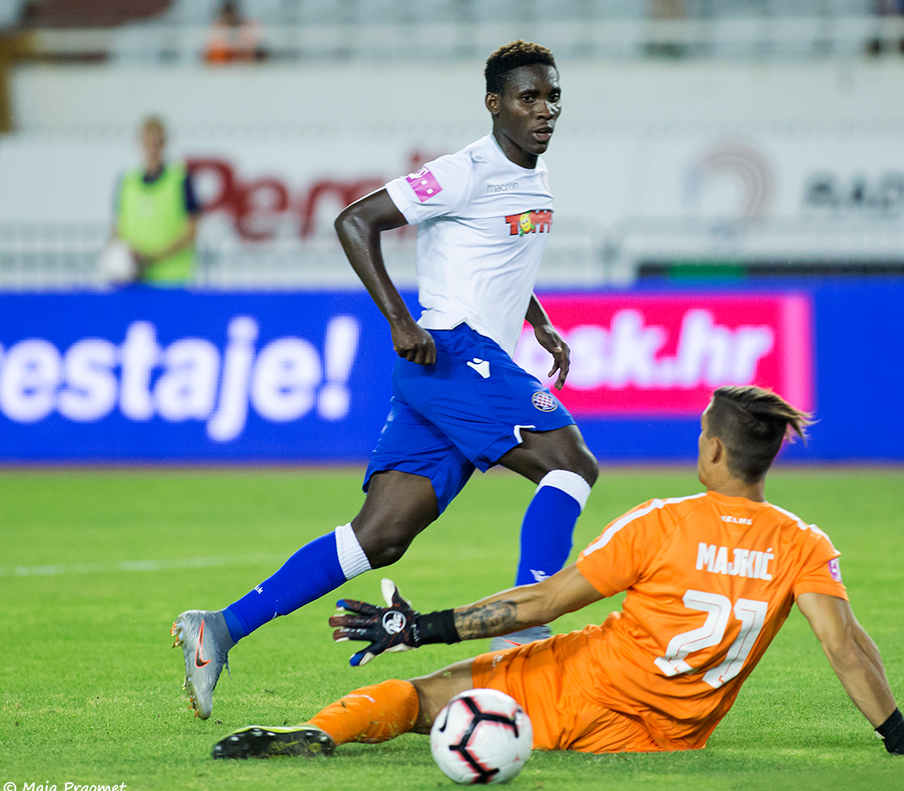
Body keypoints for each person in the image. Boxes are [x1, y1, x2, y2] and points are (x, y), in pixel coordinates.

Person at [172, 40, 599, 721]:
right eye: (529, 98)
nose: (544, 110)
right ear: (495, 104)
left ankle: (218, 628)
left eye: (552, 97)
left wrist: (539, 322)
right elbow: (354, 221)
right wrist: (400, 319)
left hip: (459, 365)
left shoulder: (535, 175)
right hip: (452, 352)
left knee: (379, 537)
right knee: (571, 465)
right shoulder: (464, 171)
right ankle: (525, 628)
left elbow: (497, 262)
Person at [211, 386, 904, 759]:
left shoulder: (661, 522)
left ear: (714, 449)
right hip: (668, 736)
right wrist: (901, 741)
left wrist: (420, 628)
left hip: (581, 685)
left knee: (417, 698)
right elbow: (844, 645)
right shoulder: (803, 545)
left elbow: (542, 602)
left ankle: (315, 733)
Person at [111, 116, 199, 285]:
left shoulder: (180, 178)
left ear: (164, 142)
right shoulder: (127, 181)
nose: (151, 147)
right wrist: (124, 259)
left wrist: (152, 258)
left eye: (156, 142)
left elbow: (191, 231)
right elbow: (118, 229)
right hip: (134, 278)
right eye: (147, 141)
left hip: (172, 280)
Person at [204, 1, 264, 65]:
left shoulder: (247, 26)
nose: (230, 17)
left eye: (231, 13)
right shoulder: (217, 29)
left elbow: (255, 49)